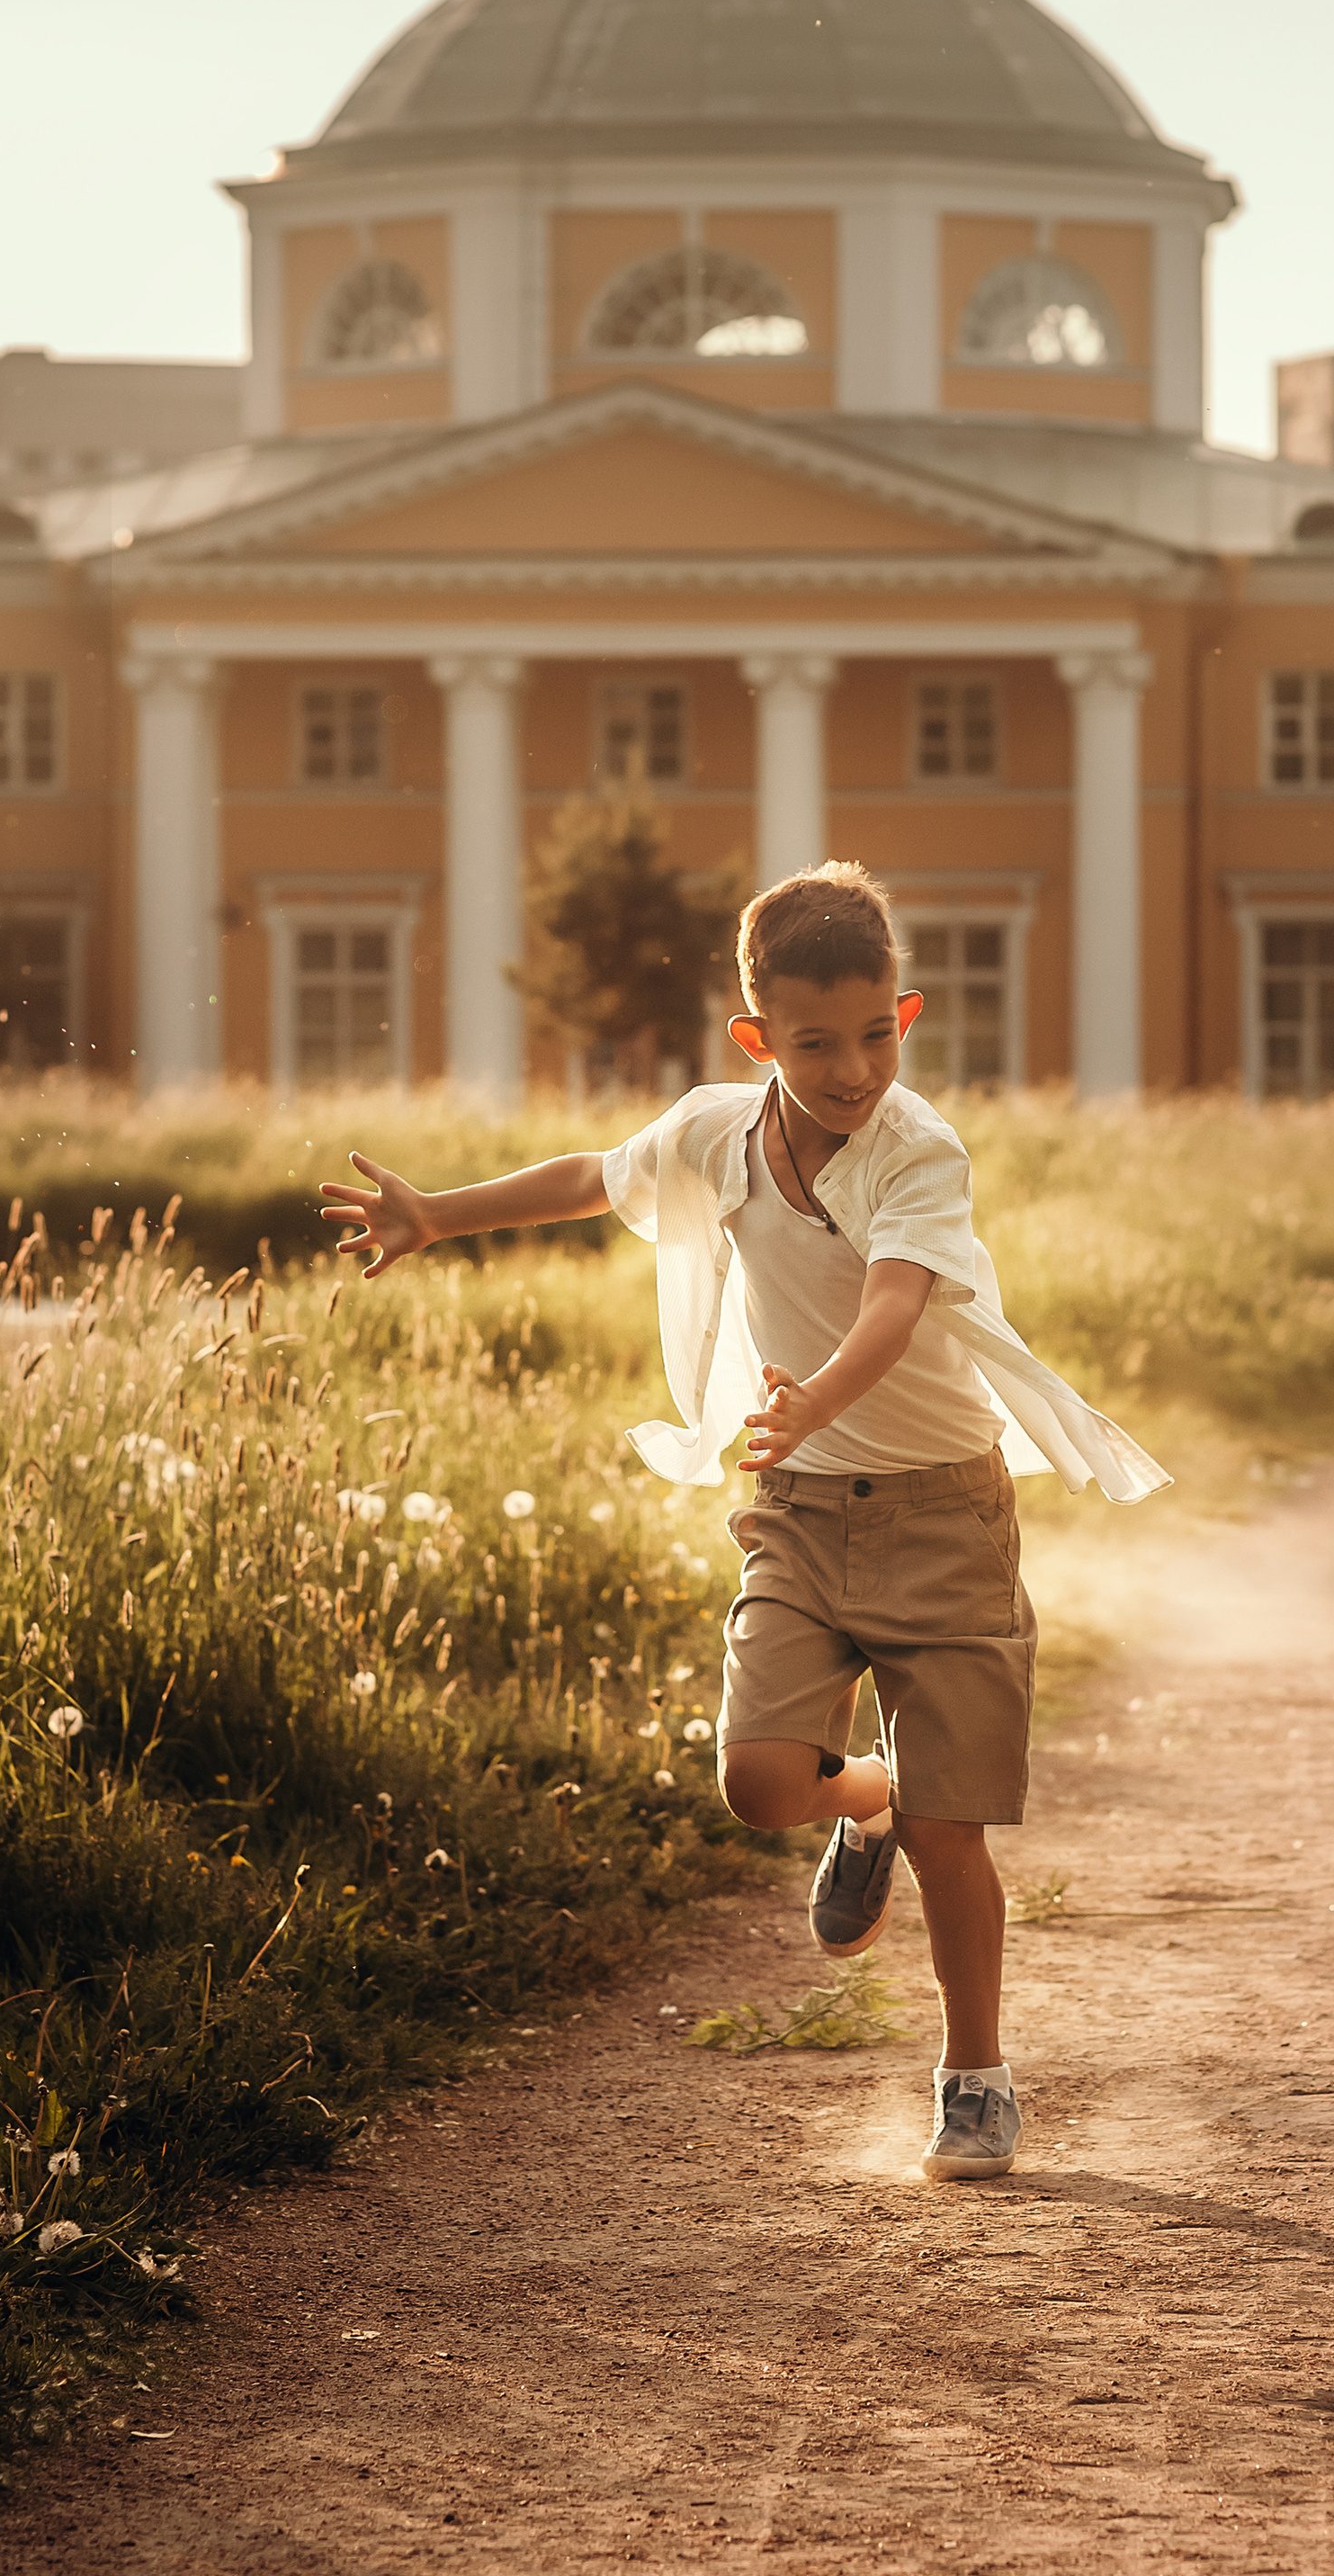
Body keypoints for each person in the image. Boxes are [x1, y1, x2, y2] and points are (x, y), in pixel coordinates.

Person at [319, 861, 1167, 2182]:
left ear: (909, 1011)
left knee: (959, 1835)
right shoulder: (718, 1131)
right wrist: (442, 1213)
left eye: (877, 1033)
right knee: (762, 1780)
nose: (853, 1067)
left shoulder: (918, 1150)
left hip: (945, 1509)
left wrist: (815, 1396)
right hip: (800, 1513)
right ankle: (867, 1801)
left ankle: (976, 2079)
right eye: (817, 1043)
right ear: (757, 1038)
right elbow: (594, 1174)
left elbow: (893, 1302)